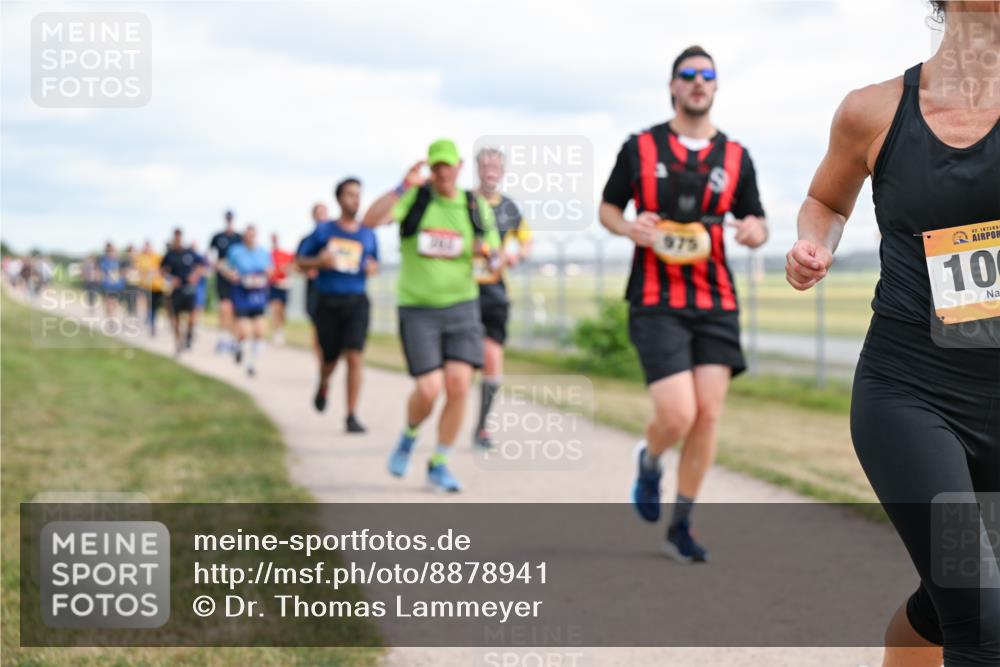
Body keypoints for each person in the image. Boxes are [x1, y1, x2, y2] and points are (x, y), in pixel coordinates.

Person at [787, 3, 999, 665]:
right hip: (911, 393)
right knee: (982, 618)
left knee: (947, 603)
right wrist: (811, 244)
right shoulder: (872, 111)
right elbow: (826, 201)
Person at [599, 45, 768, 562]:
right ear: (672, 86)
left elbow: (758, 223)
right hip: (656, 298)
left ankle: (682, 526)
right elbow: (608, 208)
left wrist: (753, 232)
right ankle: (650, 461)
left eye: (707, 76)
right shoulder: (640, 148)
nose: (698, 82)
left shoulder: (736, 156)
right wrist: (630, 227)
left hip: (715, 298)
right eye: (688, 75)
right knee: (677, 415)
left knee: (708, 416)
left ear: (716, 87)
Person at [364, 139, 501, 492]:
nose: (442, 172)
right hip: (418, 308)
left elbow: (494, 254)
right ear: (430, 168)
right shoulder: (416, 197)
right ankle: (409, 436)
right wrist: (401, 187)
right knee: (428, 389)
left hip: (461, 306)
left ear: (458, 167)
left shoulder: (474, 206)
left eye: (448, 165)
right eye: (436, 166)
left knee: (458, 385)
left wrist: (487, 254)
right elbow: (370, 220)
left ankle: (439, 462)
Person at [297, 178, 378, 433]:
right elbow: (300, 261)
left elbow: (374, 263)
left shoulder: (368, 233)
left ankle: (351, 415)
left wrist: (371, 267)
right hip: (328, 301)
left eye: (358, 195)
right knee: (330, 360)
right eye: (350, 195)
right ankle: (323, 382)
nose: (355, 200)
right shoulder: (323, 231)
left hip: (357, 301)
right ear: (339, 199)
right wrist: (319, 262)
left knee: (355, 356)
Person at [470, 147, 533, 450]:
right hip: (461, 290)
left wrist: (516, 254)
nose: (490, 171)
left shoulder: (510, 207)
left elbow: (526, 241)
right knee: (461, 362)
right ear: (478, 169)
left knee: (492, 359)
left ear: (503, 171)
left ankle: (482, 426)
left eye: (496, 166)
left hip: (494, 290)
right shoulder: (464, 202)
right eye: (485, 165)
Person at [220, 225, 273, 377]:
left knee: (260, 331)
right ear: (244, 236)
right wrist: (231, 274)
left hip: (258, 294)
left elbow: (270, 269)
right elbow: (223, 265)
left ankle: (252, 364)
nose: (251, 238)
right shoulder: (235, 251)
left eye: (253, 235)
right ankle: (238, 346)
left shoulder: (263, 252)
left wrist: (267, 274)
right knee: (243, 331)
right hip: (241, 294)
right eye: (248, 235)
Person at [160, 228, 204, 355]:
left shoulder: (189, 253)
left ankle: (189, 334)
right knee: (176, 319)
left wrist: (195, 275)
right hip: (176, 290)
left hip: (189, 289)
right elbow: (162, 270)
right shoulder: (170, 255)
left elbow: (201, 264)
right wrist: (170, 278)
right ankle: (178, 343)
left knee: (192, 316)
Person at [297, 203, 329, 366]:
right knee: (318, 332)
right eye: (319, 213)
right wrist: (309, 269)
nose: (322, 216)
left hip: (335, 292)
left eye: (325, 213)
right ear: (313, 216)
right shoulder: (307, 240)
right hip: (315, 292)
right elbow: (298, 264)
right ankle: (321, 367)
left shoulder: (335, 239)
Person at [209, 210, 242, 354]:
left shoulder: (239, 237)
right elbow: (211, 256)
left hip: (236, 277)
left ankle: (234, 340)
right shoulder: (217, 237)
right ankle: (223, 339)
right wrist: (219, 266)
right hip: (222, 277)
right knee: (224, 308)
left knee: (235, 311)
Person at [134, 240, 166, 337]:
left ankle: (151, 321)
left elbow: (163, 268)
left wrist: (156, 272)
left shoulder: (157, 257)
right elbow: (138, 270)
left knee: (155, 307)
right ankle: (152, 325)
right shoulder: (141, 258)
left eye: (148, 247)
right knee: (150, 306)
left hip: (157, 286)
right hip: (146, 287)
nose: (147, 249)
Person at [268, 233, 295, 346]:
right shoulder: (268, 255)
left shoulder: (284, 254)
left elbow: (295, 263)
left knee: (282, 311)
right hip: (273, 285)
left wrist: (288, 270)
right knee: (276, 308)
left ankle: (281, 331)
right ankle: (276, 334)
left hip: (284, 285)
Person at [98, 242, 126, 319]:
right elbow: (101, 273)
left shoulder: (119, 261)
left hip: (117, 286)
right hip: (107, 286)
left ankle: (111, 316)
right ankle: (110, 318)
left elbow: (123, 273)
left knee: (115, 303)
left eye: (113, 251)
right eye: (110, 252)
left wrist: (122, 278)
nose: (112, 253)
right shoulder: (104, 261)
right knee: (108, 303)